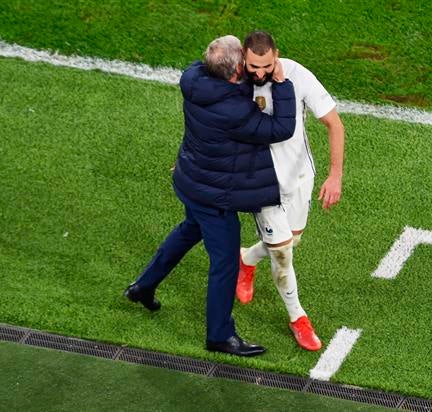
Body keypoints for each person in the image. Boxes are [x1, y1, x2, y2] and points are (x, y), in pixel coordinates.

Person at [123, 35, 296, 357]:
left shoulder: (194, 78)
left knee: (189, 231)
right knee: (225, 262)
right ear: (234, 73)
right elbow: (279, 130)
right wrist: (282, 85)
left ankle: (143, 287)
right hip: (215, 196)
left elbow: (228, 81)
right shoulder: (232, 110)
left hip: (192, 180)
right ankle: (219, 335)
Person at [237, 31, 345, 351]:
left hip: (299, 177)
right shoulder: (235, 82)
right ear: (244, 57)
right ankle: (298, 317)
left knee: (293, 239)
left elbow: (334, 124)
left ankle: (246, 259)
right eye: (253, 66)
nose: (259, 73)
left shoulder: (297, 74)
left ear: (276, 56)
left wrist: (335, 176)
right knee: (283, 252)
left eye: (266, 66)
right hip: (262, 182)